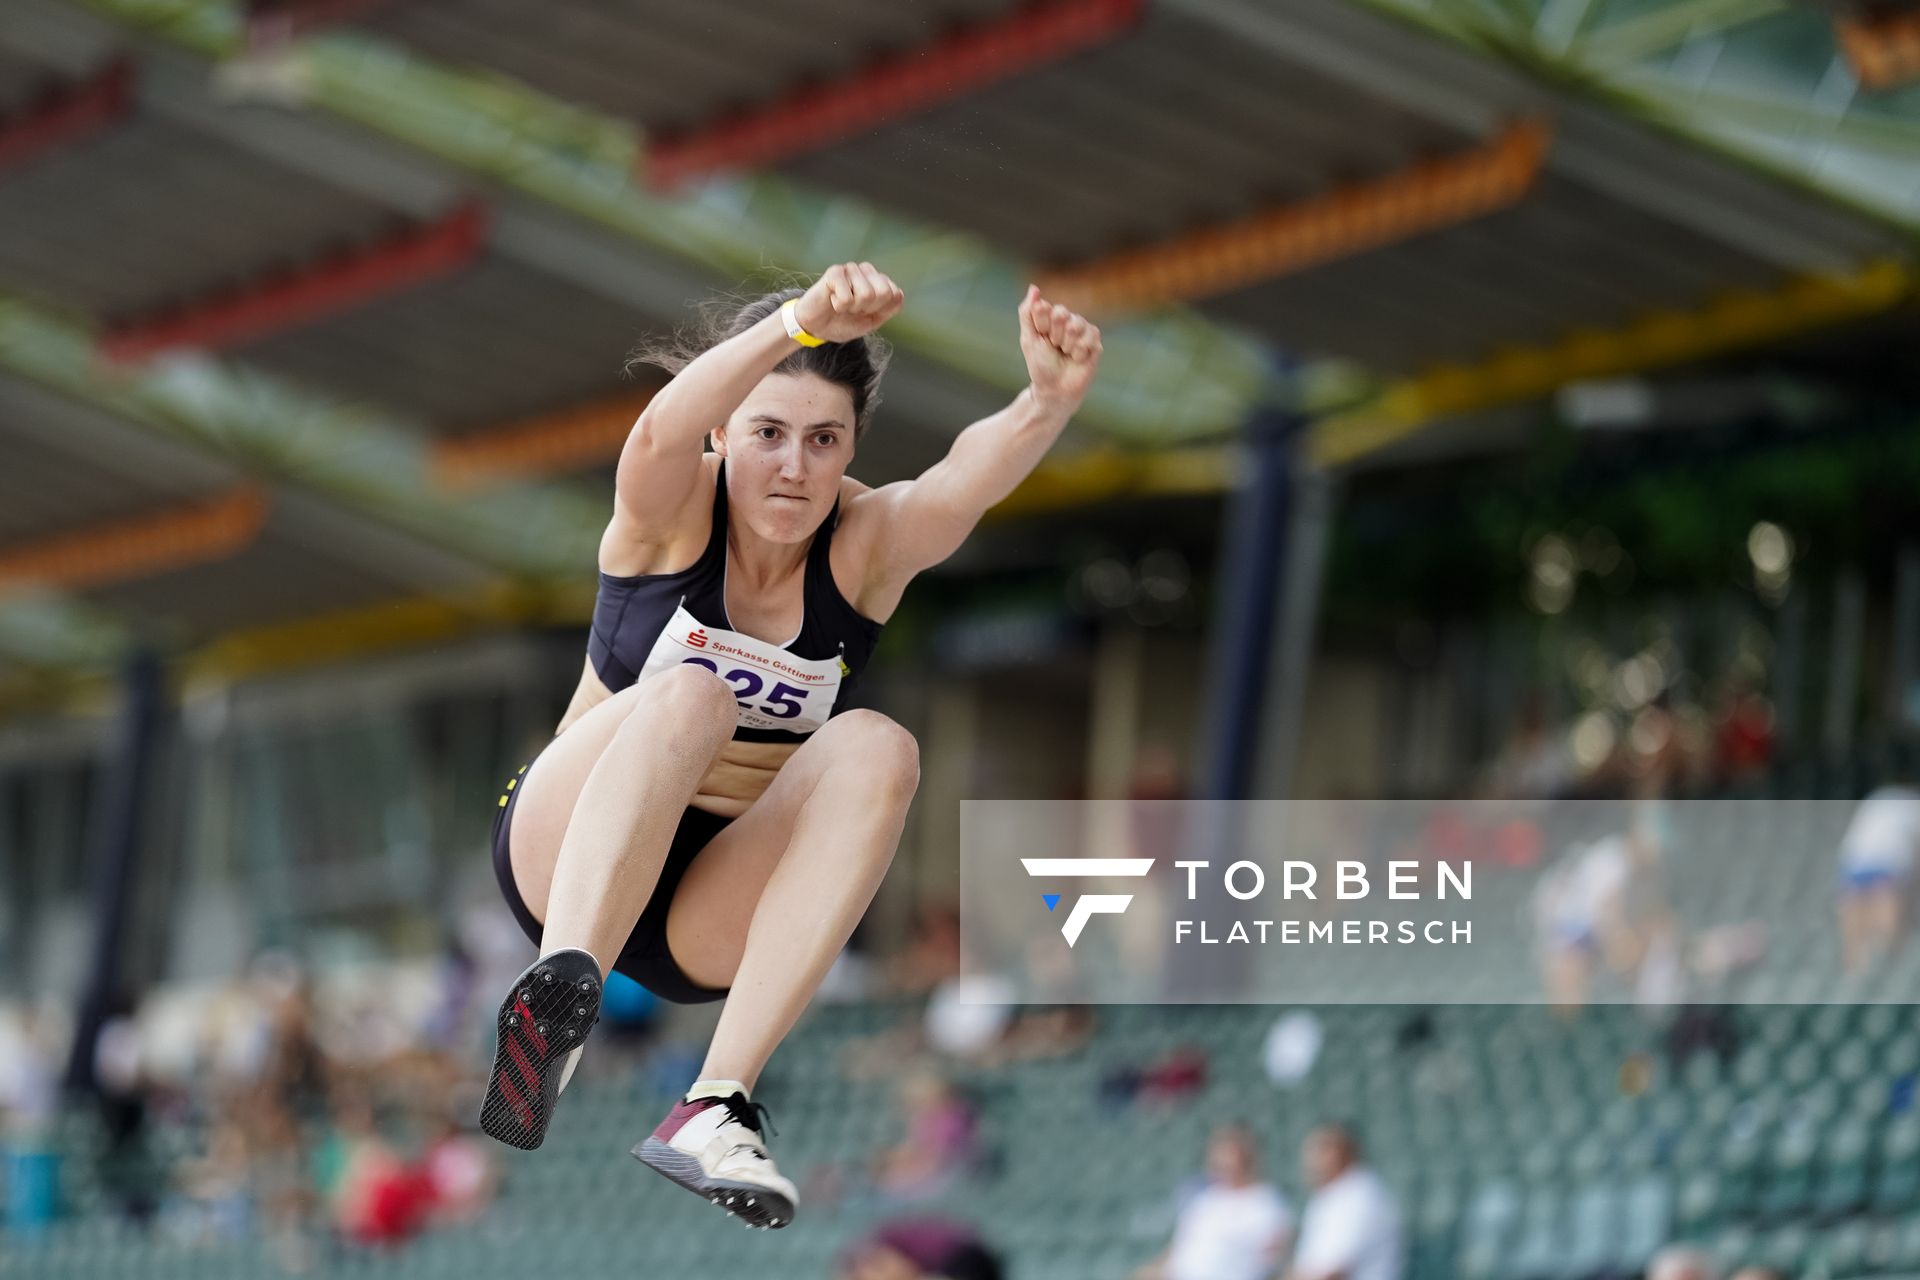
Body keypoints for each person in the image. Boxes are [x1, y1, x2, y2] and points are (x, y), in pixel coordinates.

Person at [477, 263, 1102, 1232]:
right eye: (769, 433)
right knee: (691, 695)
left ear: (852, 449)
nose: (795, 467)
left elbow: (958, 480)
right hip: (568, 853)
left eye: (823, 441)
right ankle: (556, 1000)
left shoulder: (864, 547)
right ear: (729, 430)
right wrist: (797, 324)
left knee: (880, 746)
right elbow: (658, 430)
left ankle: (716, 1099)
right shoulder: (673, 507)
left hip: (704, 906)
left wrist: (1045, 401)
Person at [1134, 1126, 1293, 1280]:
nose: (1221, 1164)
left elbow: (1275, 1255)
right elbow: (1180, 1247)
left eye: (1228, 1156)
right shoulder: (1205, 1199)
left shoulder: (1265, 1201)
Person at [1288, 1124, 1402, 1280]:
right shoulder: (1327, 1195)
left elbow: (1332, 1274)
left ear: (1341, 1152)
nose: (1310, 1159)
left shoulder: (1362, 1196)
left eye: (1320, 1150)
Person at [1836, 781, 1920, 974]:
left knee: (1867, 928)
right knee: (1880, 929)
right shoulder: (1907, 806)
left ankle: (1863, 969)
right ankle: (1877, 966)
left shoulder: (1885, 801)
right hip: (1881, 861)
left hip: (1863, 859)